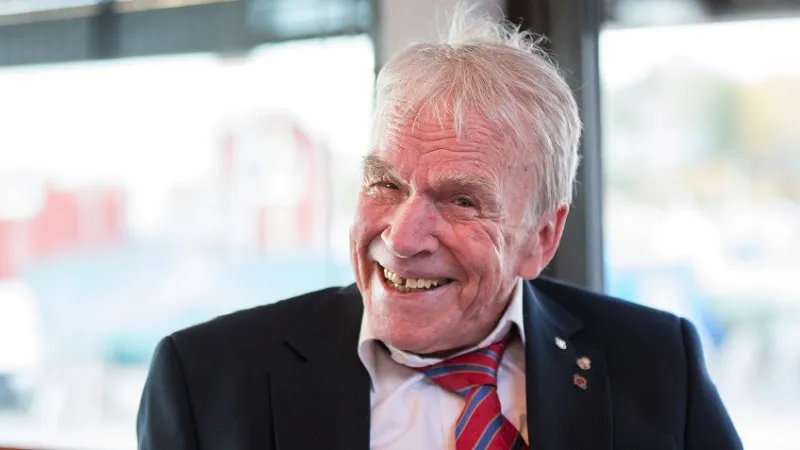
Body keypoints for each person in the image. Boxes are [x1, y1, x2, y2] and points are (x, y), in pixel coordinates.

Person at [137, 5, 742, 450]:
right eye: (385, 184)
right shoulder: (205, 381)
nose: (401, 239)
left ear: (541, 238)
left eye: (461, 201)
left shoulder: (657, 363)